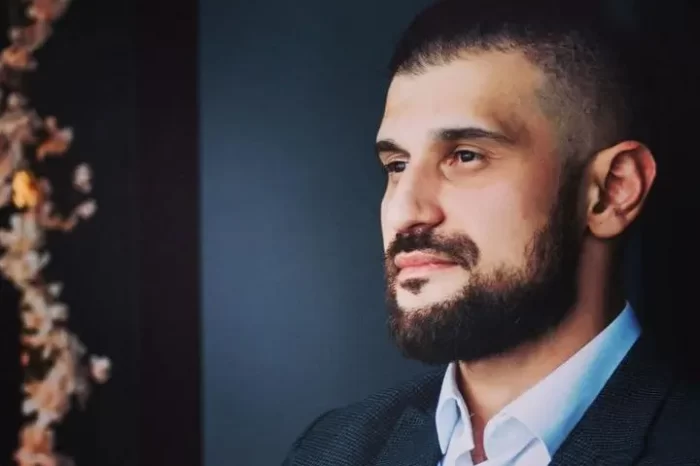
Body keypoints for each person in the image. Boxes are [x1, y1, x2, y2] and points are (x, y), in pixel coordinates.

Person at [282, 0, 700, 464]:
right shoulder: (330, 450)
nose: (404, 211)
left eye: (466, 156)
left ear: (611, 191)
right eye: (397, 165)